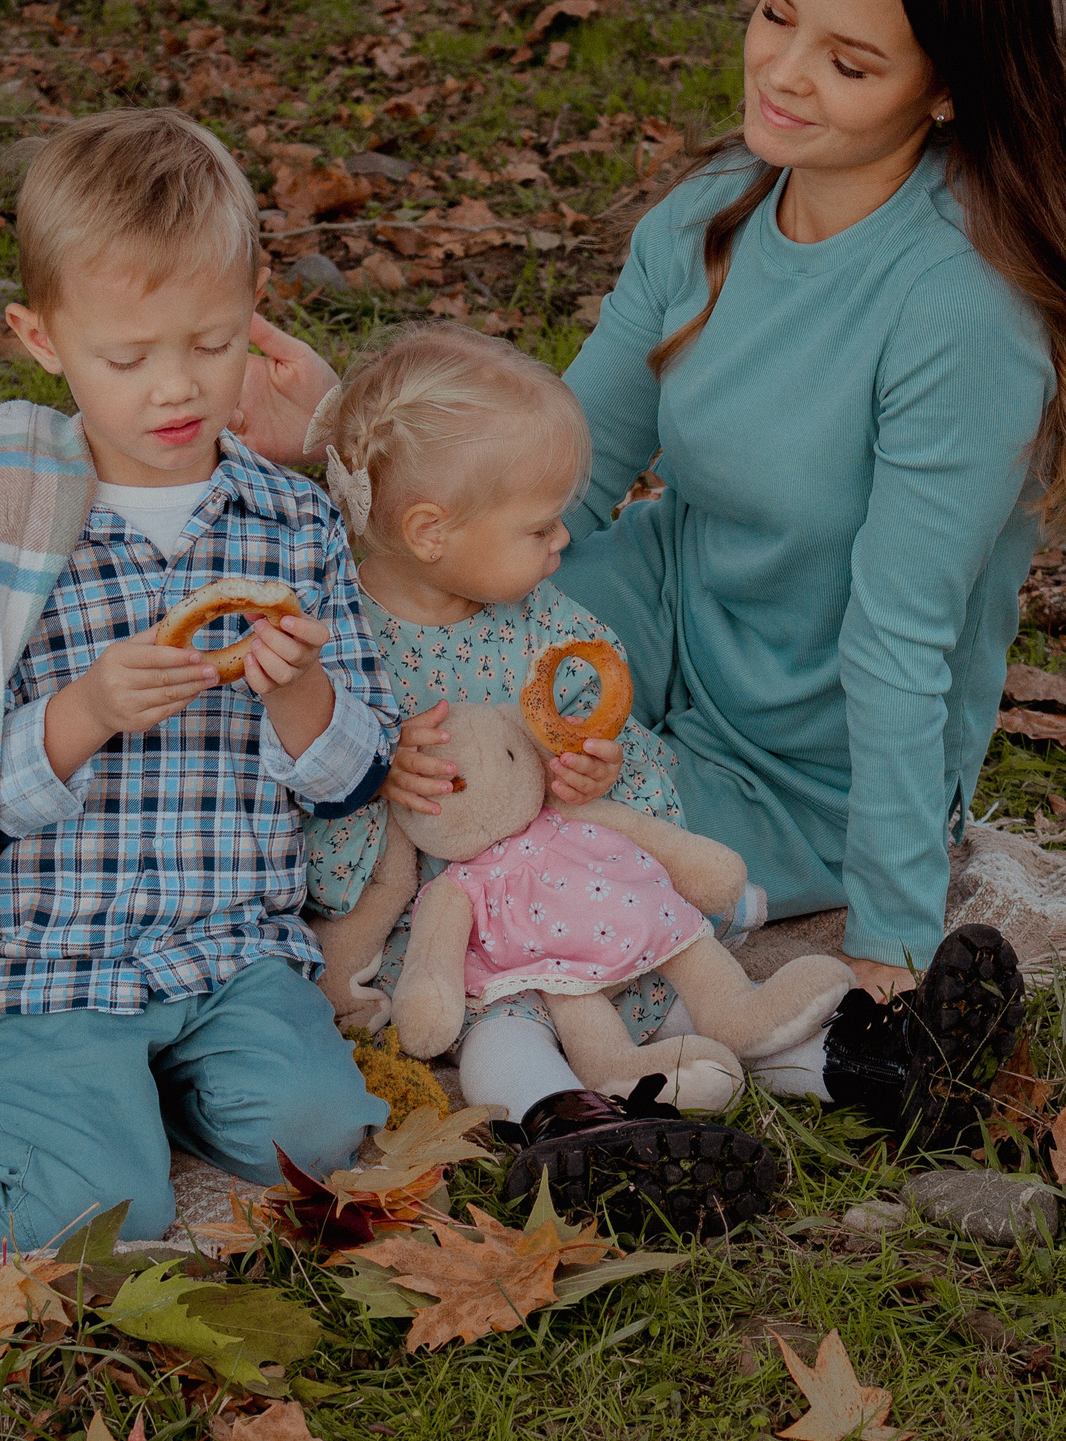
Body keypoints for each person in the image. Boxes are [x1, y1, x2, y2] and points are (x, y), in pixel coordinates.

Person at [238, 0, 1066, 1126]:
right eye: (777, 12)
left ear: (945, 94)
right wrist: (341, 430)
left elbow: (900, 635)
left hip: (804, 745)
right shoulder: (712, 211)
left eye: (849, 60)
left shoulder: (962, 312)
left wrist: (890, 936)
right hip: (653, 615)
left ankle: (566, 1078)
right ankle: (176, 866)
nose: (781, 69)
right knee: (398, 650)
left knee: (526, 851)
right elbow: (564, 476)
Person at [0, 108, 398, 1247]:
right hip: (53, 958)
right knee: (97, 1215)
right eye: (128, 358)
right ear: (39, 336)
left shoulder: (291, 522)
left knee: (320, 1134)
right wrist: (81, 716)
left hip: (227, 944)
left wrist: (298, 696)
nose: (176, 389)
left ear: (255, 297)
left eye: (212, 343)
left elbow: (355, 772)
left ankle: (145, 1091)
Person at [298, 321, 787, 1233]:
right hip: (458, 933)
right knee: (505, 1031)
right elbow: (311, 812)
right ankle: (567, 1123)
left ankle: (829, 1058)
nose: (566, 536)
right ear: (431, 531)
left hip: (574, 900)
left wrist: (595, 771)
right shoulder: (346, 643)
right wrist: (381, 780)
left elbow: (609, 733)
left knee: (690, 976)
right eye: (539, 523)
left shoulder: (535, 620)